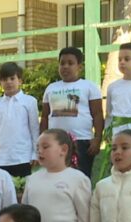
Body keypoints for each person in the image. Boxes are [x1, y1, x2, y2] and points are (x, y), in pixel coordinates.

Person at [93, 42, 131, 184]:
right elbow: (109, 113)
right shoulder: (113, 87)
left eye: (127, 59)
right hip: (118, 130)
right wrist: (108, 132)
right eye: (119, 59)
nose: (122, 62)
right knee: (118, 164)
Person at [41, 47, 104, 179]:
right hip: (55, 142)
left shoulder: (89, 87)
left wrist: (97, 138)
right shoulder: (51, 88)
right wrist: (43, 140)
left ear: (79, 66)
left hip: (81, 141)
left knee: (80, 177)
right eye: (62, 63)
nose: (65, 66)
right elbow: (45, 117)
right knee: (56, 176)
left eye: (70, 63)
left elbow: (97, 114)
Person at [0, 62, 39, 178]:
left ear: (20, 80)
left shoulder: (29, 102)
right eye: (4, 79)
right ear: (0, 82)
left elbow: (34, 130)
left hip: (23, 157)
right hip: (2, 159)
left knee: (24, 187)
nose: (9, 82)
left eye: (12, 78)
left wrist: (35, 153)